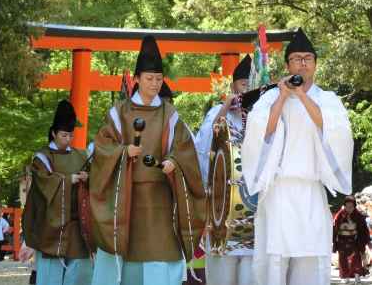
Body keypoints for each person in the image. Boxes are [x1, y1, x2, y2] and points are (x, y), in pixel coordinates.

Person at [90, 35, 206, 285]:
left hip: (160, 200)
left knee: (161, 258)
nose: (155, 84)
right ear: (136, 80)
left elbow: (185, 147)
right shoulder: (119, 112)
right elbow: (102, 148)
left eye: (159, 79)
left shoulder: (170, 113)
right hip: (125, 198)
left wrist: (175, 160)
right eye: (149, 79)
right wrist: (122, 152)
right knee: (123, 257)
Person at [241, 28, 354, 285]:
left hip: (310, 191)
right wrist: (282, 98)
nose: (302, 64)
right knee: (275, 263)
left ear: (315, 64)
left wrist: (301, 95)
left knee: (311, 260)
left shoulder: (328, 99)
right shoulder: (269, 97)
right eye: (297, 59)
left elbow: (332, 130)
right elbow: (262, 135)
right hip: (279, 191)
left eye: (308, 59)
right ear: (288, 64)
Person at [195, 54, 256, 285]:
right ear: (233, 86)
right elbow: (204, 148)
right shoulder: (217, 113)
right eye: (243, 85)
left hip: (253, 208)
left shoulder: (261, 115)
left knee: (251, 272)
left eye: (251, 86)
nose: (247, 90)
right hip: (222, 204)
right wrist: (225, 108)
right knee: (222, 270)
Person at [21, 100, 93, 285]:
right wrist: (70, 180)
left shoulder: (81, 155)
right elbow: (45, 183)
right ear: (53, 133)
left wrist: (88, 177)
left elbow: (96, 179)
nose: (67, 139)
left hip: (77, 225)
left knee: (80, 272)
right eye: (63, 135)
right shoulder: (42, 157)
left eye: (70, 135)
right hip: (51, 225)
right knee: (50, 276)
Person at [333, 196, 370, 284]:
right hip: (342, 240)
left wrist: (365, 241)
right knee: (342, 259)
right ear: (344, 206)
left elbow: (363, 230)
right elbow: (335, 227)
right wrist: (334, 240)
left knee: (356, 258)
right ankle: (345, 277)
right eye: (347, 206)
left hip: (354, 240)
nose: (349, 209)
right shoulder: (340, 214)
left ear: (354, 206)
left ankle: (357, 275)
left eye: (351, 207)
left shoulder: (358, 215)